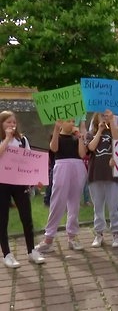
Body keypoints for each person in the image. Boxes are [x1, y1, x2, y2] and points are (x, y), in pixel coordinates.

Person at [35, 119, 88, 253]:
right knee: (57, 201)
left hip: (77, 166)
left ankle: (72, 236)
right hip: (62, 166)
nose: (71, 123)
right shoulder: (57, 136)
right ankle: (49, 238)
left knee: (74, 203)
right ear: (62, 123)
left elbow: (82, 154)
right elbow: (54, 148)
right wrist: (56, 129)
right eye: (68, 121)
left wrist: (81, 137)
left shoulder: (76, 137)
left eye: (73, 121)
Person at [0, 111, 45, 267]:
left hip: (19, 183)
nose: (12, 125)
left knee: (26, 217)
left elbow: (29, 160)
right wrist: (6, 138)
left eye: (14, 122)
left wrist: (36, 179)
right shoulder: (2, 140)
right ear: (1, 124)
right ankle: (7, 254)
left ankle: (31, 250)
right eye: (8, 122)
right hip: (2, 183)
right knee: (2, 219)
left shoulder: (22, 140)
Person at [86, 111, 118, 249]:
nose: (104, 117)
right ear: (96, 117)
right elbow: (91, 147)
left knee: (114, 205)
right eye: (102, 115)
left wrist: (112, 121)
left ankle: (116, 233)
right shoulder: (91, 134)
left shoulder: (112, 131)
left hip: (112, 174)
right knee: (98, 206)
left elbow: (117, 142)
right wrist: (100, 130)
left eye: (106, 115)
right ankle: (99, 233)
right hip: (95, 173)